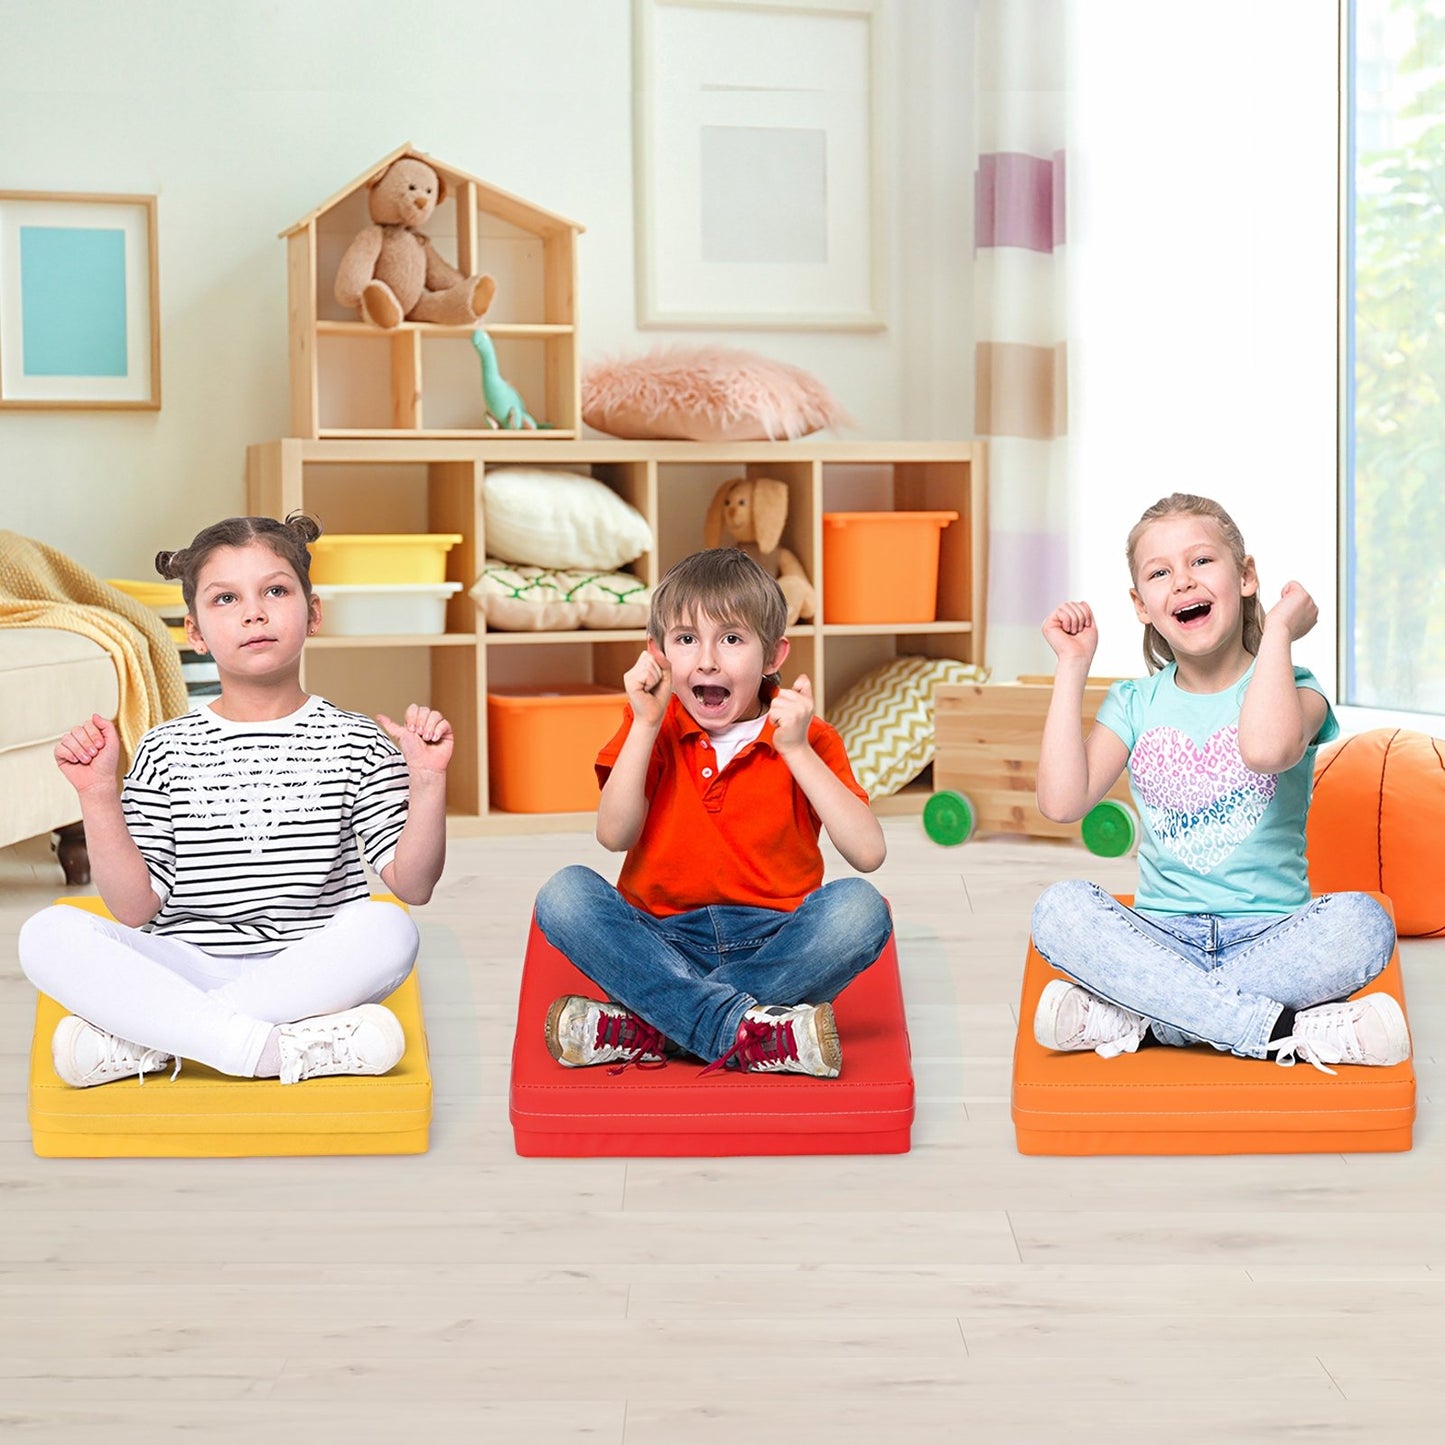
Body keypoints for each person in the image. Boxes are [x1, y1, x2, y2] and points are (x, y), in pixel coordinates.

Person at [18, 514, 453, 1088]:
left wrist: (426, 782)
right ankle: (269, 1050)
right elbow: (133, 909)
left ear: (313, 612)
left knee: (391, 931)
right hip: (185, 965)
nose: (254, 612)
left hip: (309, 970)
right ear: (195, 633)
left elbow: (413, 886)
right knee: (44, 936)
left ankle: (155, 1039)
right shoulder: (164, 748)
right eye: (226, 598)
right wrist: (99, 795)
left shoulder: (358, 742)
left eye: (275, 590)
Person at [1029, 492, 1407, 1074]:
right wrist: (1071, 666)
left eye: (1201, 562)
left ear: (1246, 576)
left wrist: (1279, 631)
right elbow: (1061, 802)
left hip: (1274, 940)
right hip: (1159, 938)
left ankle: (1146, 1019)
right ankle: (1281, 1030)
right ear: (1142, 605)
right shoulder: (1133, 702)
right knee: (1059, 909)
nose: (1182, 581)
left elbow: (1265, 750)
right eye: (1160, 573)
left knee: (1364, 923)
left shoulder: (1297, 688)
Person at [534, 547, 892, 1078]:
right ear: (657, 654)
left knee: (862, 910)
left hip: (775, 941)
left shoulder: (808, 737)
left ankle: (657, 1026)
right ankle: (742, 1032)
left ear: (774, 656)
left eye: (731, 639)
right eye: (685, 640)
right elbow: (613, 835)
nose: (707, 660)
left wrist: (796, 751)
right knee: (564, 895)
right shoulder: (651, 725)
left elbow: (868, 854)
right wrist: (645, 724)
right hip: (659, 942)